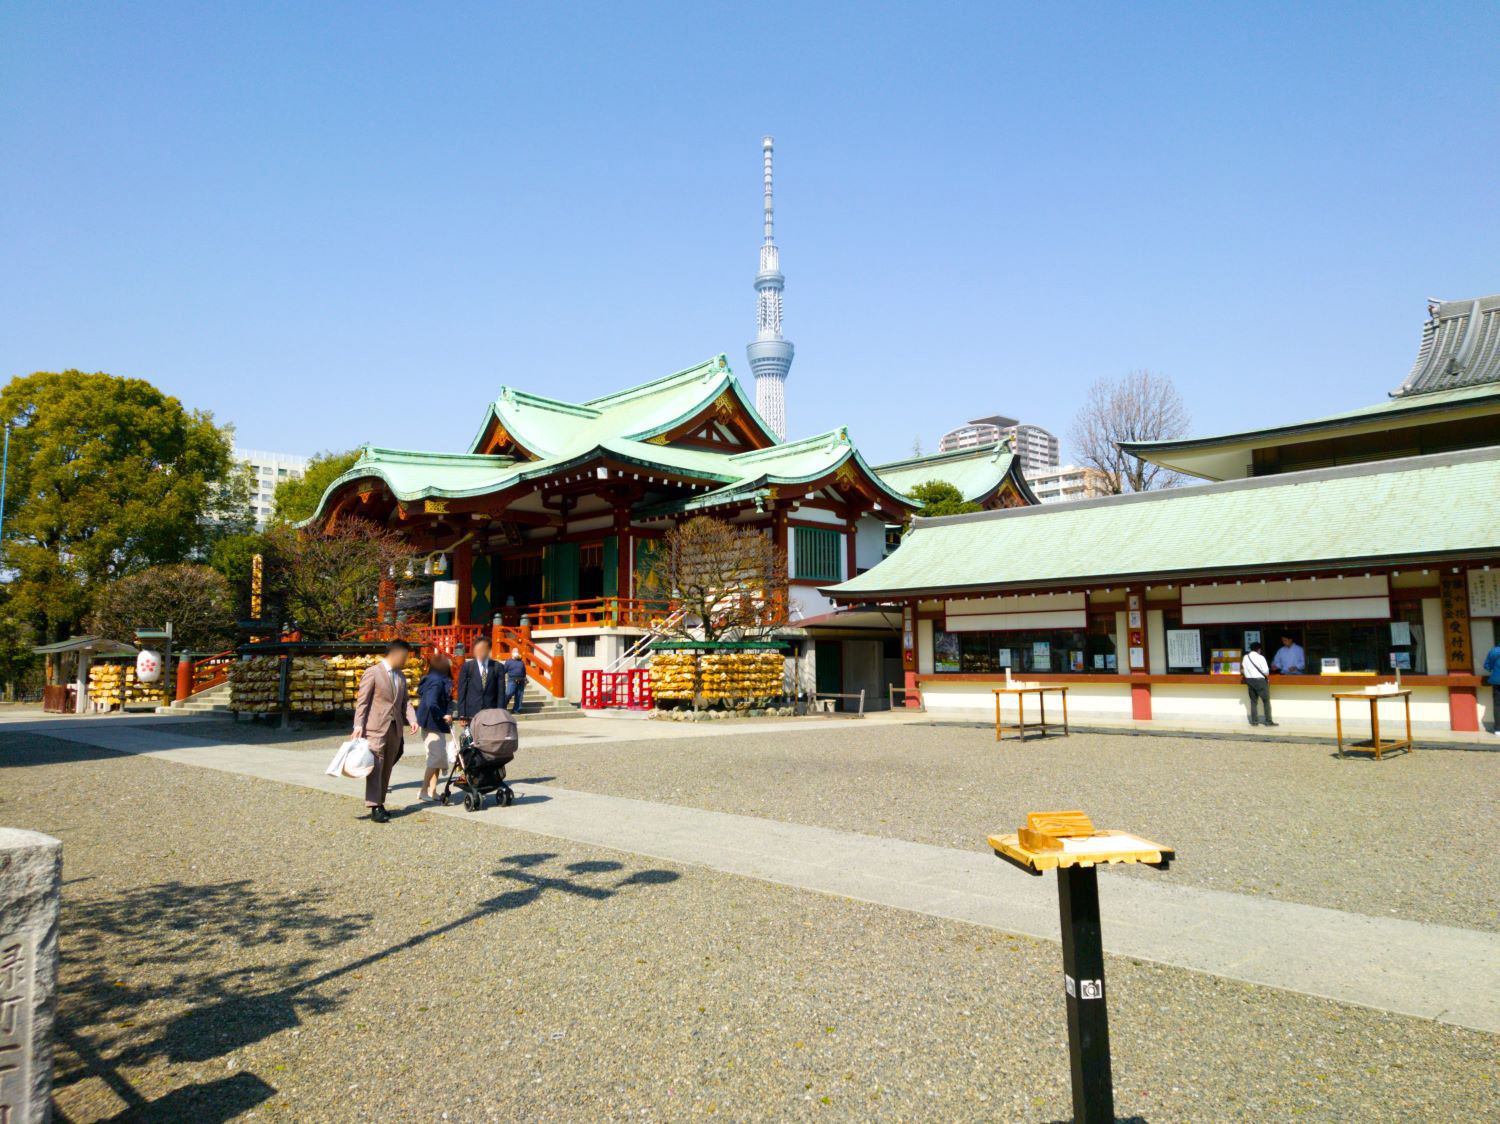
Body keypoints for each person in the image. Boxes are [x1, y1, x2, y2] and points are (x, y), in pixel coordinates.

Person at [352, 640, 419, 823]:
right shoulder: (372, 673)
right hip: (375, 727)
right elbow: (363, 702)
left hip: (394, 728)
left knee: (387, 766)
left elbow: (405, 701)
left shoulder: (401, 676)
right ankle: (374, 806)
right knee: (377, 766)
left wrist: (412, 719)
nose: (406, 660)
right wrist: (358, 725)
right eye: (405, 656)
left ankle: (380, 802)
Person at [416, 652, 454, 802]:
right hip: (432, 724)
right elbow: (432, 703)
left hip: (433, 724)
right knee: (436, 757)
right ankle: (423, 790)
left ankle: (433, 791)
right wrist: (443, 715)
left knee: (435, 759)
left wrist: (448, 712)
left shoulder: (435, 679)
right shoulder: (437, 682)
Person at [456, 635, 501, 726]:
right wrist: (462, 715)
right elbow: (462, 692)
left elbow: (501, 694)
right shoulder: (467, 667)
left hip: (491, 713)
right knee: (473, 739)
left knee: (490, 739)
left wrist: (501, 715)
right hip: (471, 713)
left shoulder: (497, 667)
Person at [1242, 641, 1276, 727]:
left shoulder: (1245, 657)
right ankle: (1268, 721)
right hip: (1260, 681)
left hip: (1249, 681)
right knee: (1266, 701)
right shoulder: (1261, 658)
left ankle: (1254, 722)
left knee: (1253, 702)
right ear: (1259, 649)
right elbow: (1266, 672)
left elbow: (1244, 668)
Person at [502, 647, 527, 712]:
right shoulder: (508, 661)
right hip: (512, 680)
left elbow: (524, 672)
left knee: (519, 696)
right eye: (515, 651)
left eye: (517, 651)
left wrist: (525, 679)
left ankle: (516, 709)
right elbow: (504, 671)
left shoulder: (521, 662)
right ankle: (503, 706)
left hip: (521, 681)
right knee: (508, 694)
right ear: (512, 653)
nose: (516, 652)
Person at [1484, 639, 1500, 737]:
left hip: (1496, 682)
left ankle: (1498, 729)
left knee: (1498, 705)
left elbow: (1487, 666)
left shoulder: (1493, 651)